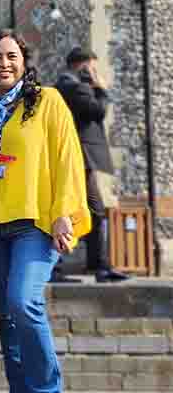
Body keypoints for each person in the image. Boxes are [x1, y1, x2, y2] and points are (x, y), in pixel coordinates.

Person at [0, 29, 91, 393]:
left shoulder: (48, 101)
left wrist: (64, 215)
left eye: (10, 56)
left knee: (24, 303)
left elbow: (67, 159)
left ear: (24, 61)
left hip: (35, 224)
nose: (2, 64)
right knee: (6, 317)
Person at [56, 48, 128, 283]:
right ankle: (92, 266)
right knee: (83, 210)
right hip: (79, 157)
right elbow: (97, 111)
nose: (95, 72)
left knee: (87, 211)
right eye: (92, 67)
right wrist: (101, 88)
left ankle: (99, 265)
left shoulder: (69, 85)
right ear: (83, 65)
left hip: (78, 158)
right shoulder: (72, 86)